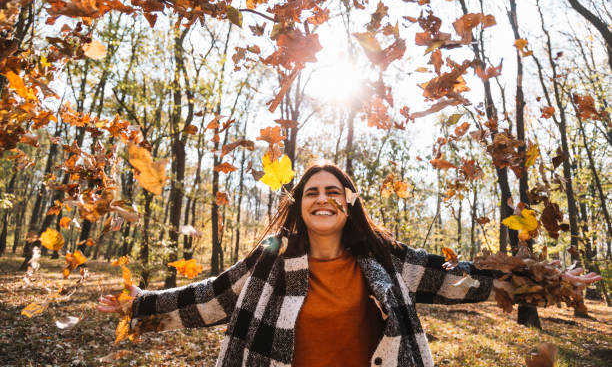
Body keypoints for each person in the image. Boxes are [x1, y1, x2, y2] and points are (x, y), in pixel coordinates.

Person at [97, 162, 602, 367]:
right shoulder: (272, 259)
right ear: (299, 205)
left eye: (333, 192)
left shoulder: (382, 259)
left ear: (349, 203)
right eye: (311, 192)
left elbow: (458, 278)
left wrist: (546, 279)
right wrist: (138, 304)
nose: (322, 199)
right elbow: (212, 297)